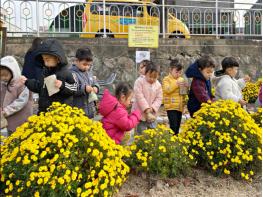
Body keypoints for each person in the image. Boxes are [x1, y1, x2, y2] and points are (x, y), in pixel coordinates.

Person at [20, 39, 77, 113]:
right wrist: (27, 81)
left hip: (61, 114)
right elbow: (39, 86)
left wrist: (62, 85)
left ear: (58, 58)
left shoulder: (67, 73)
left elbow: (74, 88)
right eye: (43, 59)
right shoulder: (44, 72)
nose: (45, 62)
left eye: (47, 59)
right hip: (44, 111)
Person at [0, 56, 33, 135]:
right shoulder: (3, 84)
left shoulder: (22, 83)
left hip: (21, 117)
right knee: (10, 134)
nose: (3, 78)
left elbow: (21, 101)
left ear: (13, 72)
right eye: (1, 75)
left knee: (20, 135)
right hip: (9, 118)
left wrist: (6, 110)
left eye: (5, 75)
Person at [132, 61, 163, 134]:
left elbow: (159, 98)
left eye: (155, 77)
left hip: (152, 113)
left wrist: (153, 108)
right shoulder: (139, 82)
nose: (152, 79)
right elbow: (139, 97)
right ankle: (139, 144)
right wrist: (146, 109)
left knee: (153, 132)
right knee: (140, 132)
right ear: (145, 73)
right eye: (150, 76)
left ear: (158, 76)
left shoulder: (158, 85)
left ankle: (151, 144)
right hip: (140, 113)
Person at [70, 48, 100, 118]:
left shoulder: (89, 73)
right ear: (76, 61)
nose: (87, 67)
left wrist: (96, 87)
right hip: (78, 110)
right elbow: (72, 88)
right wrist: (84, 88)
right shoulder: (72, 73)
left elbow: (95, 82)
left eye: (89, 65)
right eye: (84, 64)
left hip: (90, 109)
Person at [162, 59, 187, 134]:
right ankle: (172, 142)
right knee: (173, 126)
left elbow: (183, 94)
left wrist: (185, 88)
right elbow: (167, 90)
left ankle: (176, 140)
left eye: (180, 72)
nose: (178, 74)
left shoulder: (181, 79)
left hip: (179, 107)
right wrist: (176, 84)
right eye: (176, 72)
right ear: (170, 70)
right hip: (171, 106)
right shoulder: (166, 79)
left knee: (177, 126)